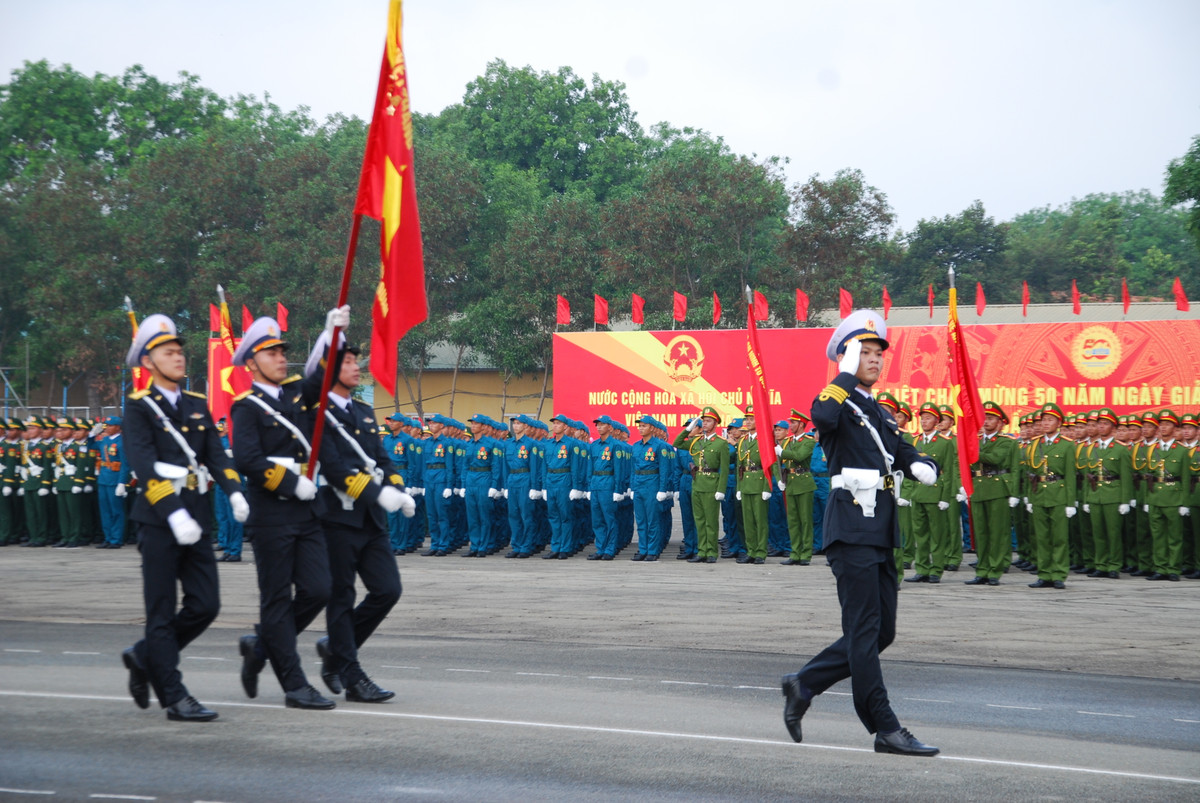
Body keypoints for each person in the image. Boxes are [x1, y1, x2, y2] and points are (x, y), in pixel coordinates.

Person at [780, 309, 941, 757]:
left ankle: (803, 683)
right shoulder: (837, 400)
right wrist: (845, 373)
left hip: (881, 530)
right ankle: (885, 727)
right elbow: (823, 416)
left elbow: (897, 446)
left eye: (876, 354)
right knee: (865, 632)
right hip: (851, 528)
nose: (873, 359)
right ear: (847, 357)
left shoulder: (876, 410)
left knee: (880, 633)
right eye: (863, 352)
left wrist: (920, 462)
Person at [120, 314, 249, 722]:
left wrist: (234, 491)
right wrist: (173, 513)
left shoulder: (196, 405)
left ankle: (144, 657)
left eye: (179, 351)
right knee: (160, 612)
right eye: (167, 353)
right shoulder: (139, 408)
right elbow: (144, 463)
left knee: (205, 605)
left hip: (197, 516)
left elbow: (215, 454)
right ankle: (174, 696)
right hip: (160, 521)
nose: (178, 358)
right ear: (148, 362)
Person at [231, 315, 336, 710]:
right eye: (271, 353)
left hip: (306, 514)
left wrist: (329, 334)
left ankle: (261, 646)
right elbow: (248, 459)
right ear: (252, 364)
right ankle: (294, 685)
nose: (280, 359)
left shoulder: (295, 395)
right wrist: (292, 484)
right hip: (272, 514)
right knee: (276, 600)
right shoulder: (247, 408)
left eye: (281, 352)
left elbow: (320, 380)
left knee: (319, 589)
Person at [308, 322, 415, 703]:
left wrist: (399, 490)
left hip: (372, 521)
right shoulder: (317, 414)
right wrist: (376, 494)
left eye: (356, 360)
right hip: (338, 517)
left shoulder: (366, 412)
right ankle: (351, 674)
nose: (357, 367)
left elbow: (383, 459)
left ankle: (336, 648)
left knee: (388, 590)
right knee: (340, 596)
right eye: (348, 361)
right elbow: (334, 467)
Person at [964, 402, 1020, 586]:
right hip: (978, 488)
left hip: (997, 489)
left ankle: (995, 570)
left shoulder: (1006, 442)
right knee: (981, 533)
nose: (986, 422)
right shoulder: (977, 440)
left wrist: (971, 447)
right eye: (984, 419)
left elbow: (995, 459)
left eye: (991, 419)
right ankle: (982, 570)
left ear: (1000, 423)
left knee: (997, 533)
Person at [674, 407, 729, 564]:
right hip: (697, 484)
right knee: (699, 520)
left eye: (708, 421)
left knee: (710, 521)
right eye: (703, 421)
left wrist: (721, 490)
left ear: (715, 423)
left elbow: (724, 469)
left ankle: (711, 552)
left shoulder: (720, 444)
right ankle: (702, 550)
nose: (705, 424)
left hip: (711, 484)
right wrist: (688, 429)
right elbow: (677, 443)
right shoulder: (696, 442)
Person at [776, 409, 816, 566]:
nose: (790, 425)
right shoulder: (788, 442)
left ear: (801, 424)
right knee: (792, 520)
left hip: (804, 482)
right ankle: (795, 552)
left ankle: (806, 554)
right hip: (791, 483)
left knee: (805, 520)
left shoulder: (808, 441)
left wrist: (782, 452)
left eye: (793, 422)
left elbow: (799, 456)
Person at [95, 417, 130, 549]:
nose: (107, 428)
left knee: (116, 511)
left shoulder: (122, 442)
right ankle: (108, 537)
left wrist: (122, 483)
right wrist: (93, 434)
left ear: (118, 427)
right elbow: (90, 446)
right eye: (106, 426)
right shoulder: (104, 440)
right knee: (105, 511)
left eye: (110, 426)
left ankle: (116, 539)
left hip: (115, 480)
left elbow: (125, 465)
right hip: (103, 479)